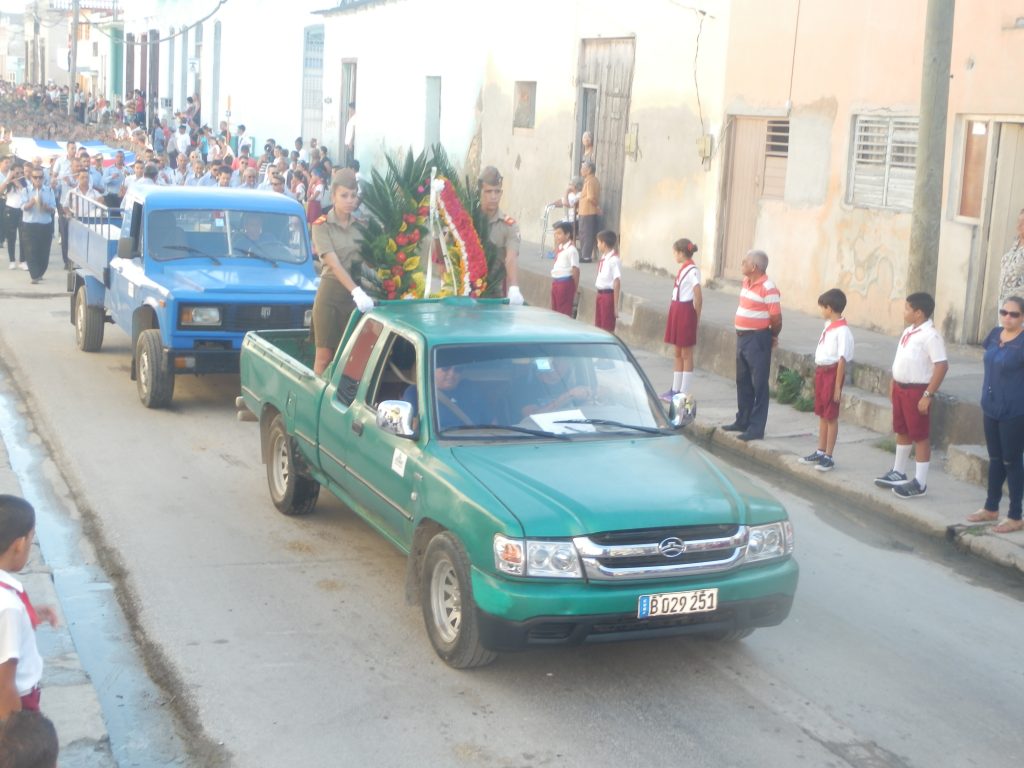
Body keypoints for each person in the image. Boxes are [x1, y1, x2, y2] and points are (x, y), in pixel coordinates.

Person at [874, 292, 949, 498]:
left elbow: (941, 365)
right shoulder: (908, 331)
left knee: (920, 434)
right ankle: (898, 471)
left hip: (917, 390)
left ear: (919, 313)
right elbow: (902, 359)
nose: (904, 311)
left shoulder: (930, 336)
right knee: (902, 429)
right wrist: (893, 382)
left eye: (907, 308)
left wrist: (928, 394)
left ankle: (920, 482)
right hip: (900, 388)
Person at [966, 296, 1024, 533]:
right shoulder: (994, 335)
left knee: (1012, 461)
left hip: (1014, 410)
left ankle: (1015, 515)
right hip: (990, 406)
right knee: (995, 459)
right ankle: (991, 507)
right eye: (1004, 312)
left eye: (1014, 314)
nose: (1007, 317)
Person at [310, 169, 375, 375]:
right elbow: (334, 264)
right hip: (331, 295)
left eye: (353, 195)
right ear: (333, 196)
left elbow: (370, 261)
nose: (350, 200)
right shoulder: (321, 226)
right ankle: (316, 403)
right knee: (324, 356)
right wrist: (357, 292)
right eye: (344, 195)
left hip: (358, 294)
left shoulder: (362, 227)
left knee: (353, 357)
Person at [0, 495, 59, 720]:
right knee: (37, 753)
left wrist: (28, 613)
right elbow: (4, 686)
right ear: (20, 544)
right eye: (32, 538)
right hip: (18, 705)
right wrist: (15, 735)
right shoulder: (8, 607)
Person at [722, 249, 782, 441]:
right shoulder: (746, 282)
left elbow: (776, 317)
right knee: (743, 380)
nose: (741, 264)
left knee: (759, 383)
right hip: (743, 337)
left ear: (754, 266)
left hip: (758, 338)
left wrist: (772, 335)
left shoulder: (768, 287)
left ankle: (756, 428)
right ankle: (743, 419)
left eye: (744, 262)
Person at [799, 289, 855, 472]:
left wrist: (837, 386)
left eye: (823, 308)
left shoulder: (843, 331)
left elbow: (842, 360)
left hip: (832, 373)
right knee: (822, 413)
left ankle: (829, 455)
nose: (821, 311)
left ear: (829, 308)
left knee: (831, 415)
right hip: (822, 372)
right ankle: (820, 451)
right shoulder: (828, 326)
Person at [661, 238, 702, 400]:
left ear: (681, 253)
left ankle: (683, 392)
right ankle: (675, 388)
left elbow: (698, 297)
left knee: (686, 353)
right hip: (676, 309)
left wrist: (696, 319)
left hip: (686, 311)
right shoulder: (683, 268)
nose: (674, 256)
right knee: (677, 352)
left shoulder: (692, 270)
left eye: (675, 253)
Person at [477, 166, 523, 304]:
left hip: (493, 292)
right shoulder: (467, 218)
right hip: (466, 290)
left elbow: (511, 258)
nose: (493, 196)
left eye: (497, 192)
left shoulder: (509, 225)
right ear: (479, 191)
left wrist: (514, 287)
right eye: (488, 191)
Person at [19, 167, 57, 284]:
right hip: (30, 224)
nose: (38, 180)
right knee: (30, 250)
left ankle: (40, 272)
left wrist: (47, 208)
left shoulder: (49, 190)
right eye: (35, 177)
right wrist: (30, 204)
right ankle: (34, 275)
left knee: (44, 251)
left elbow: (53, 207)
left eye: (40, 177)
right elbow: (22, 206)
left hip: (44, 224)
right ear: (31, 178)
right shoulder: (26, 190)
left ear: (43, 178)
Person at [593, 230, 621, 332]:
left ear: (604, 244)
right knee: (599, 324)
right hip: (600, 294)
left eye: (598, 242)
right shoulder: (604, 257)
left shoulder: (614, 260)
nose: (597, 245)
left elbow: (616, 281)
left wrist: (615, 306)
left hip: (608, 295)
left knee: (607, 326)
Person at [549, 221, 579, 316]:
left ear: (567, 235)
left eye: (559, 233)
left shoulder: (571, 250)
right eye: (555, 234)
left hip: (565, 283)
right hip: (556, 282)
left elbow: (575, 269)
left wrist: (575, 287)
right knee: (555, 309)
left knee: (563, 311)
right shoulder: (560, 248)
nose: (556, 236)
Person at [3, 163, 26, 270]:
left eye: (21, 172)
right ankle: (12, 260)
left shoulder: (24, 182)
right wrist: (8, 178)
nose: (19, 174)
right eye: (17, 172)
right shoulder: (8, 182)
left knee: (23, 237)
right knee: (11, 236)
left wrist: (19, 184)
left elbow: (27, 194)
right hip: (10, 210)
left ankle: (22, 260)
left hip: (22, 211)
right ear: (12, 172)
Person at [577, 160, 600, 263]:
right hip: (584, 211)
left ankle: (586, 256)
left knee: (586, 234)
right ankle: (584, 254)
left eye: (583, 168)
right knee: (583, 233)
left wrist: (597, 206)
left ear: (589, 170)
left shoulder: (591, 181)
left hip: (588, 211)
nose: (581, 170)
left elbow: (591, 197)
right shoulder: (589, 180)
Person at [999, 208, 1024, 302]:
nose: (1018, 226)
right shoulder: (1016, 242)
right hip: (1004, 301)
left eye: (1023, 223)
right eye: (1018, 222)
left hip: (1019, 305)